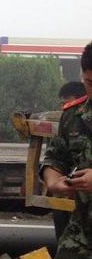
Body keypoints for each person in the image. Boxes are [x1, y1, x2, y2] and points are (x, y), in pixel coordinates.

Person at [41, 44, 92, 259]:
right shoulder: (74, 115)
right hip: (82, 233)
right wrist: (54, 180)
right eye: (90, 83)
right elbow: (55, 157)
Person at [51, 81, 87, 243]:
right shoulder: (68, 121)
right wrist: (53, 181)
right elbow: (55, 156)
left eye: (67, 103)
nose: (64, 108)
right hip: (73, 192)